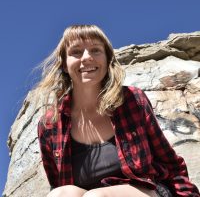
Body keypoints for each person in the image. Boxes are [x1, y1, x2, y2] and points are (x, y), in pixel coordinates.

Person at [36, 24, 200, 197]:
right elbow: (56, 182)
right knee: (59, 194)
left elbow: (170, 162)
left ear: (107, 60)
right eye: (76, 52)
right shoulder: (50, 124)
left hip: (146, 191)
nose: (86, 57)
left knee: (97, 196)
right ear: (64, 64)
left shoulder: (132, 100)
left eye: (95, 50)